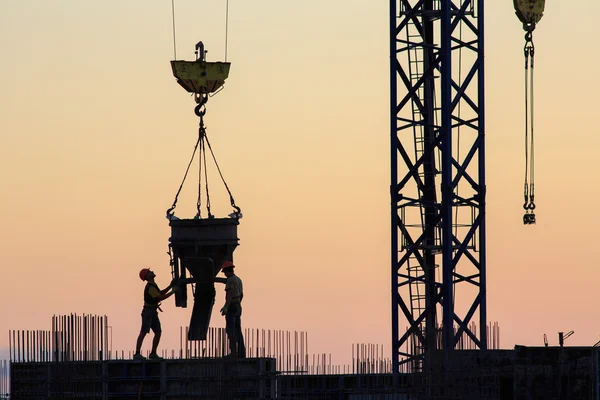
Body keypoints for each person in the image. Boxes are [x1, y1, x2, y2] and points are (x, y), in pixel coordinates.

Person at [134, 268, 177, 360]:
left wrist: (170, 286)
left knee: (158, 331)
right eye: (149, 272)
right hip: (148, 312)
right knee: (144, 331)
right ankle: (137, 354)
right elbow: (159, 297)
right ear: (147, 276)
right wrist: (172, 292)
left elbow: (160, 292)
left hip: (152, 311)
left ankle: (153, 353)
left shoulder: (153, 285)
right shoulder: (150, 287)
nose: (152, 271)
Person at [219, 261, 246, 358]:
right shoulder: (238, 279)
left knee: (230, 330)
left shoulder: (230, 280)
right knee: (238, 329)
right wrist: (237, 304)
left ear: (227, 271)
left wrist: (226, 306)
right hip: (238, 306)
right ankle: (242, 353)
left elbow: (229, 294)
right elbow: (242, 294)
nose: (224, 274)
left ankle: (233, 353)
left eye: (225, 272)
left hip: (232, 306)